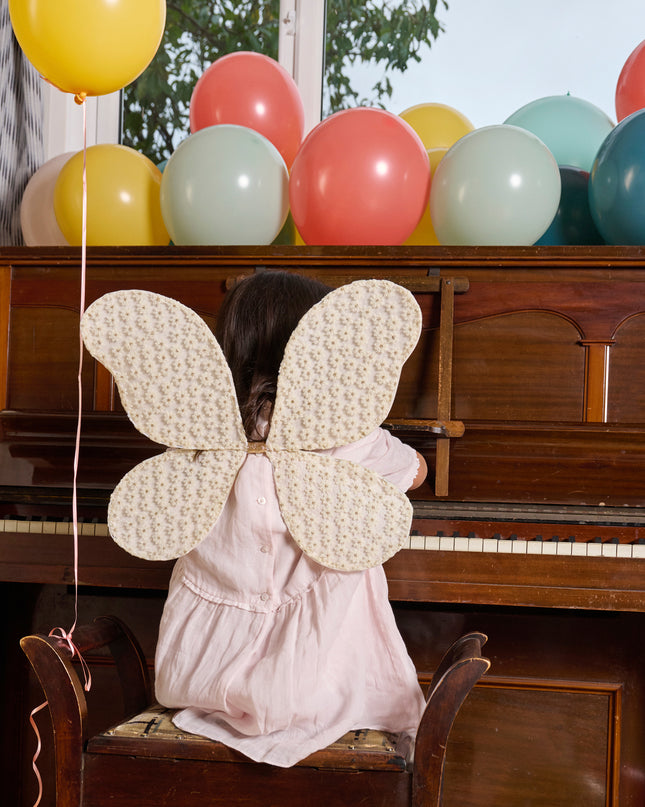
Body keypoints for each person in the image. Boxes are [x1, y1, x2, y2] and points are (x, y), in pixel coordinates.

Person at [154, 271, 428, 768]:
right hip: (313, 681)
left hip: (202, 674)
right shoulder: (342, 428)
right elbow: (415, 470)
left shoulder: (199, 429)